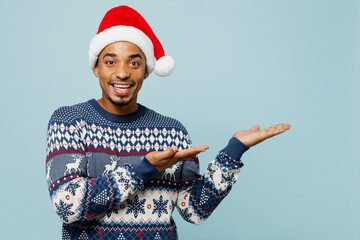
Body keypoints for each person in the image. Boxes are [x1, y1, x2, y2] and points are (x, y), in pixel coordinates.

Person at [46, 5, 290, 240]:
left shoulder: (172, 132)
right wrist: (144, 169)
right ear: (96, 68)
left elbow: (195, 211)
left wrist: (234, 151)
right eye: (111, 62)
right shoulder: (69, 122)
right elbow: (68, 206)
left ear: (146, 71)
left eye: (134, 63)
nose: (122, 73)